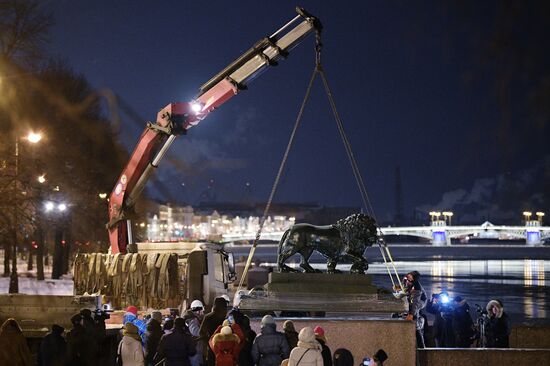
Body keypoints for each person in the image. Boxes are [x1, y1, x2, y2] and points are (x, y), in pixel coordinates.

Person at [199, 297, 228, 366]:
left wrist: (208, 341)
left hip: (212, 347)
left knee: (211, 362)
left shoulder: (208, 317)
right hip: (224, 347)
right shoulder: (225, 319)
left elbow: (201, 333)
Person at [402, 271, 427, 348]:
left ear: (414, 279)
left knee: (414, 310)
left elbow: (416, 302)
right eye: (409, 275)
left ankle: (421, 345)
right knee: (408, 306)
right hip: (411, 298)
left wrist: (411, 314)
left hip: (421, 301)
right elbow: (404, 289)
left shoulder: (417, 288)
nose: (408, 277)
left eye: (411, 277)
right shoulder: (405, 280)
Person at [184, 300, 205, 366]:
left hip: (195, 348)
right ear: (197, 310)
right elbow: (196, 332)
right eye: (201, 311)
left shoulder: (193, 319)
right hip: (195, 349)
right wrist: (205, 331)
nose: (202, 312)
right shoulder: (192, 320)